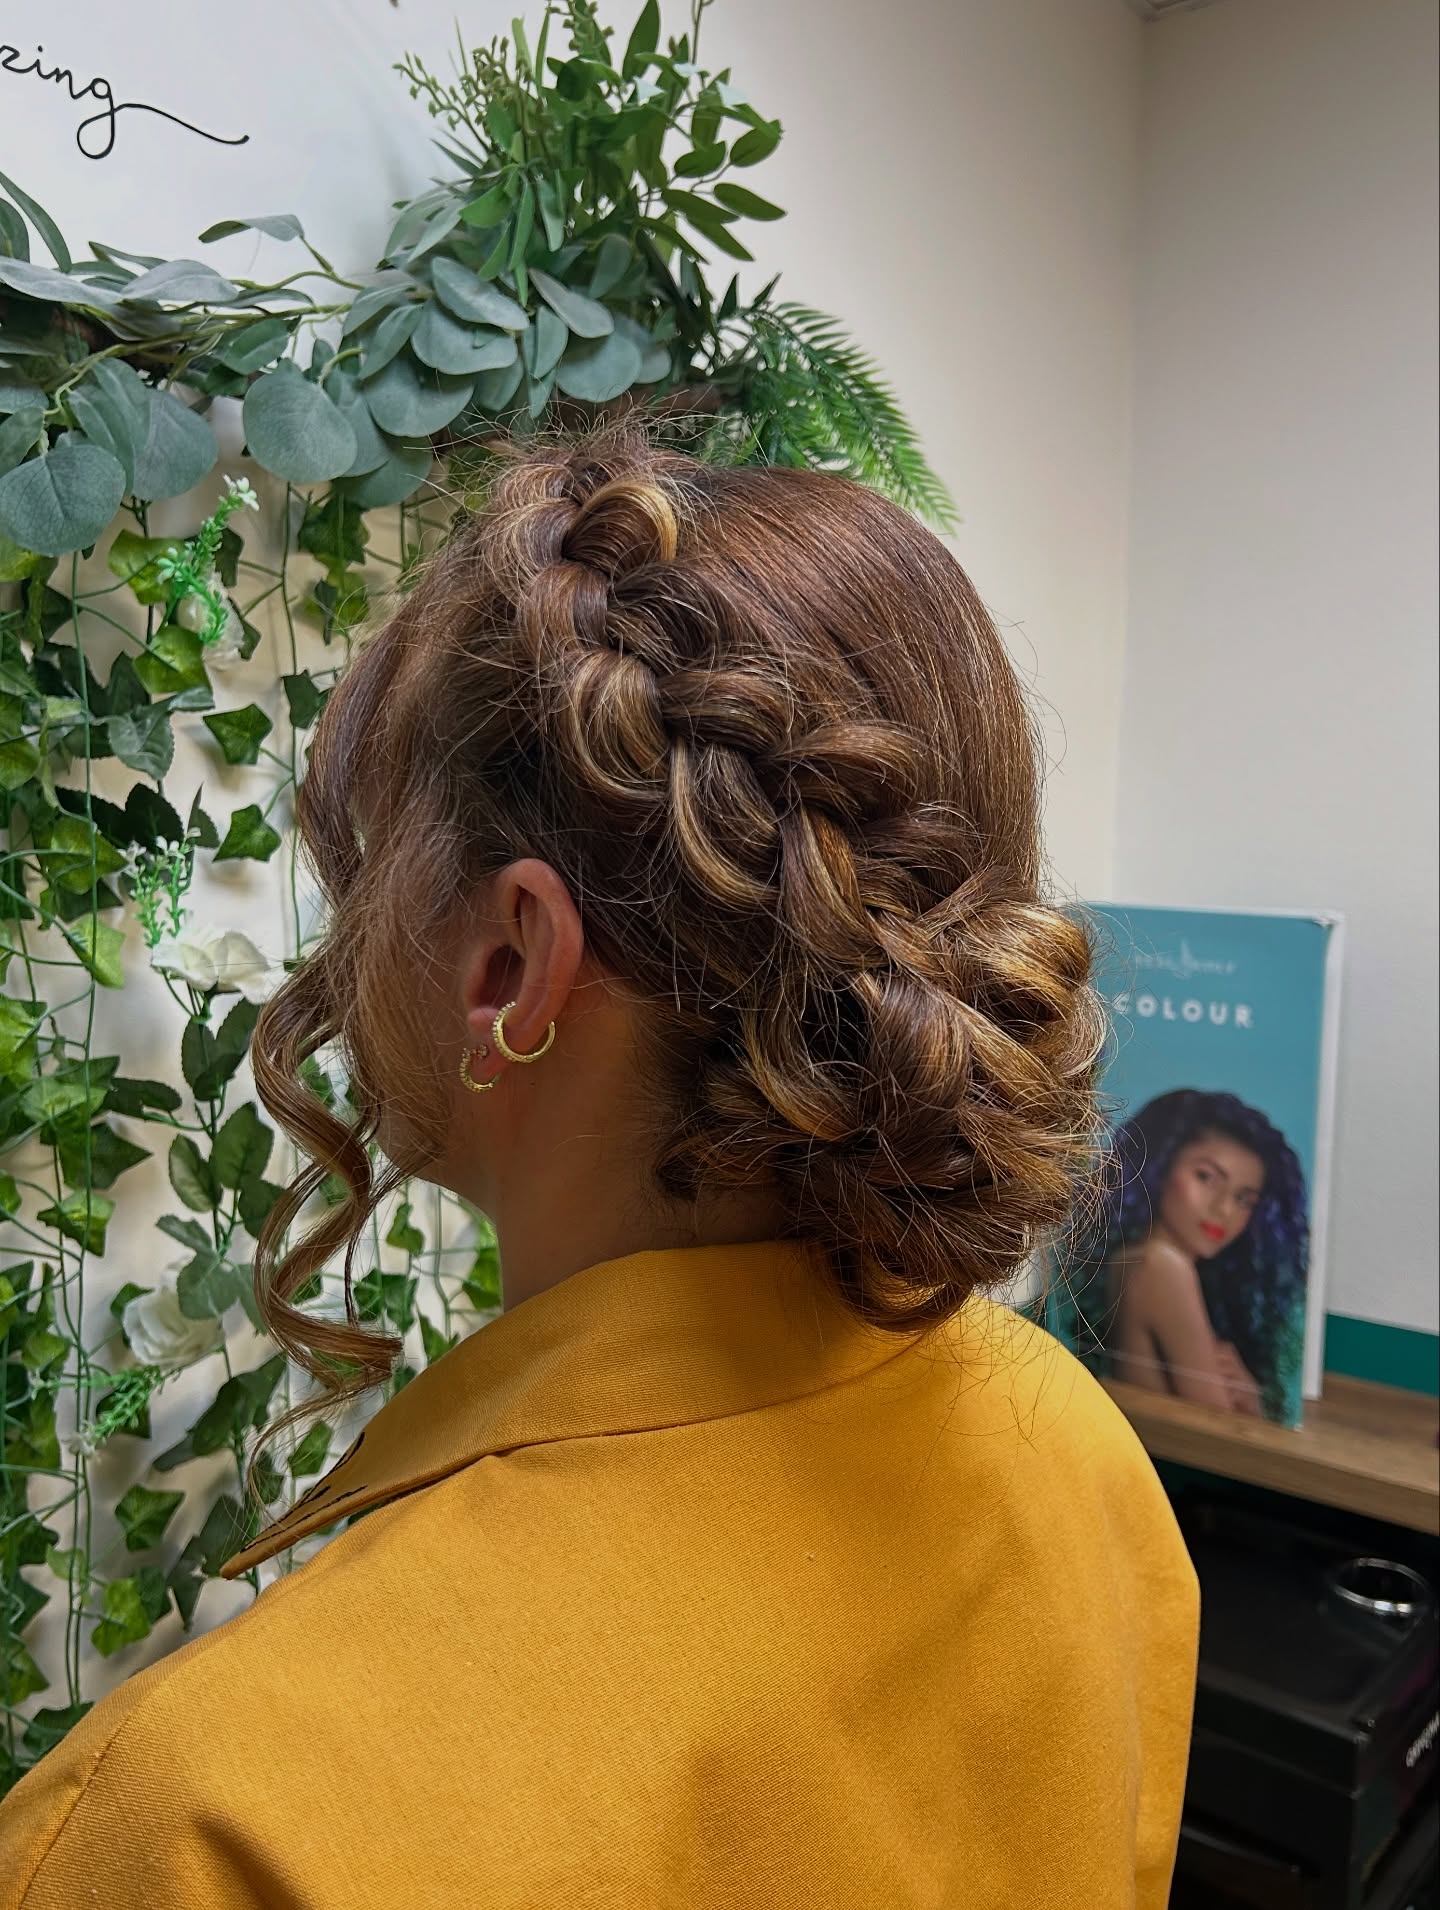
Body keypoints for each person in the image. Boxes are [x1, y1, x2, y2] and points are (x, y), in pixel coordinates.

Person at [0, 435, 1198, 1908]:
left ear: (511, 961)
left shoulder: (209, 1831)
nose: (340, 939)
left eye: (367, 864)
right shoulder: (1087, 1468)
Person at [1087, 1088, 1309, 1421]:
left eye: (1243, 1199)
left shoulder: (1130, 1257)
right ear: (1161, 1165)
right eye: (1206, 1177)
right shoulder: (1164, 1265)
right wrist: (1252, 1401)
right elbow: (1224, 1432)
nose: (1222, 1209)